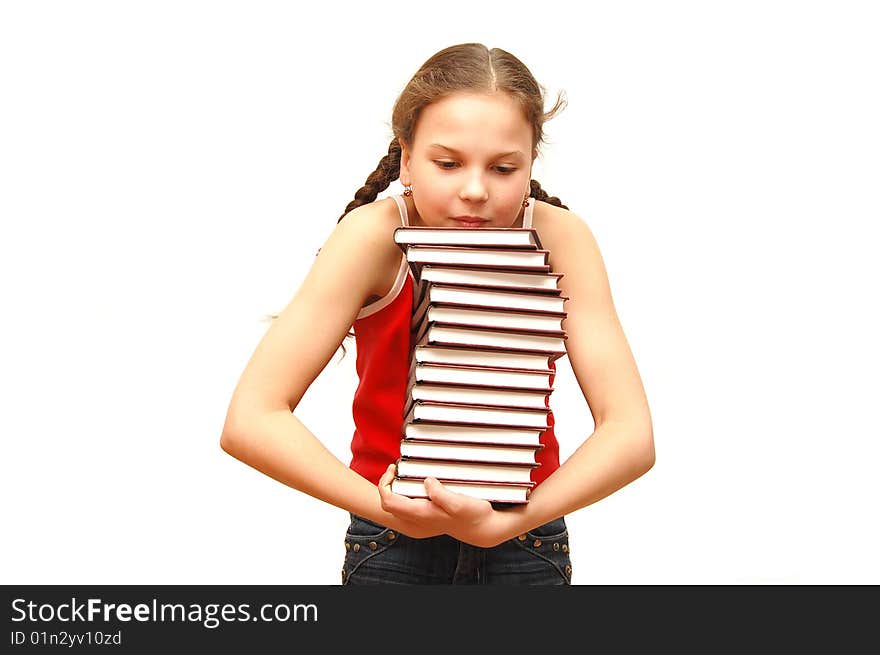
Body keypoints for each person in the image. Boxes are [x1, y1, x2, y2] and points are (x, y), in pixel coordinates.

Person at [219, 43, 655, 585]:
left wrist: (512, 522)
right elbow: (251, 419)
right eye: (447, 164)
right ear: (406, 156)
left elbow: (631, 434)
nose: (474, 190)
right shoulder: (374, 237)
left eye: (503, 167)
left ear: (531, 162)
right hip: (393, 543)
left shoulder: (561, 240)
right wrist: (383, 508)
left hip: (527, 539)